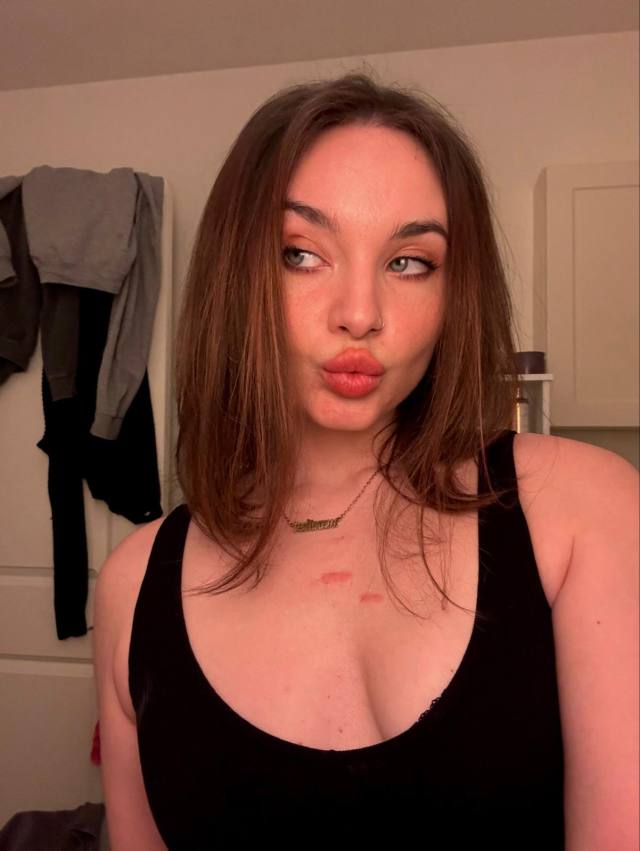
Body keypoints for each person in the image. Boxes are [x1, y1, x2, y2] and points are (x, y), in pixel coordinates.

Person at [92, 70, 639, 850]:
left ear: (455, 293)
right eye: (301, 253)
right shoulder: (132, 585)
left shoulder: (582, 511)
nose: (360, 314)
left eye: (409, 262)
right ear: (235, 276)